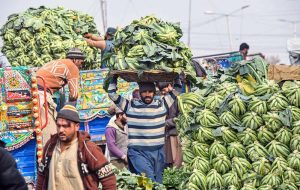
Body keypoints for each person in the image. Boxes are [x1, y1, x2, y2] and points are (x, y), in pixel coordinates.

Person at [107, 75, 176, 183]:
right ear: (140, 93)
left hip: (159, 152)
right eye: (144, 92)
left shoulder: (162, 106)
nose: (147, 94)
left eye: (150, 91)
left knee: (159, 183)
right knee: (150, 182)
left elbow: (175, 92)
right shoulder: (130, 106)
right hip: (138, 153)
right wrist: (114, 77)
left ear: (154, 92)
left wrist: (176, 75)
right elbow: (112, 94)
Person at [36, 103, 116, 190]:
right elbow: (42, 175)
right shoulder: (50, 146)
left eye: (66, 126)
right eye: (58, 126)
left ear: (77, 126)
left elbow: (109, 179)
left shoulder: (87, 148)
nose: (61, 130)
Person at [36, 48, 85, 145]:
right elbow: (74, 94)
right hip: (41, 95)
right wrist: (69, 112)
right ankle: (48, 156)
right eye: (81, 62)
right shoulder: (72, 66)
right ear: (75, 60)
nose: (81, 65)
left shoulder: (58, 62)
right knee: (51, 132)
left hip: (35, 91)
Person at [157, 82, 183, 168]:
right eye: (161, 91)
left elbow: (180, 117)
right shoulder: (165, 99)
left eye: (164, 90)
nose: (163, 92)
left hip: (176, 132)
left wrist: (166, 123)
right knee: (171, 159)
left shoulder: (178, 97)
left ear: (169, 85)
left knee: (177, 159)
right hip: (169, 132)